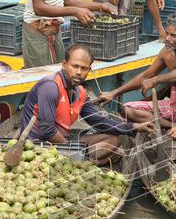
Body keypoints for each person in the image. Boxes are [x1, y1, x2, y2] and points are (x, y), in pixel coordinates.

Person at [20, 44, 153, 165]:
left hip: (63, 144)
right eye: (75, 66)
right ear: (64, 64)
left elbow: (99, 122)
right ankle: (85, 162)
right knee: (112, 154)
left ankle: (84, 162)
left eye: (84, 68)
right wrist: (72, 151)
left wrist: (133, 126)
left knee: (113, 140)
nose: (79, 72)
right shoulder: (50, 86)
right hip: (40, 145)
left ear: (89, 70)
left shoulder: (80, 92)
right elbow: (47, 130)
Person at [97, 14, 176, 141]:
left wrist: (155, 80)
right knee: (127, 110)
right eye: (167, 34)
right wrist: (114, 93)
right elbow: (146, 75)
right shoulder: (166, 52)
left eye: (174, 36)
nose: (168, 39)